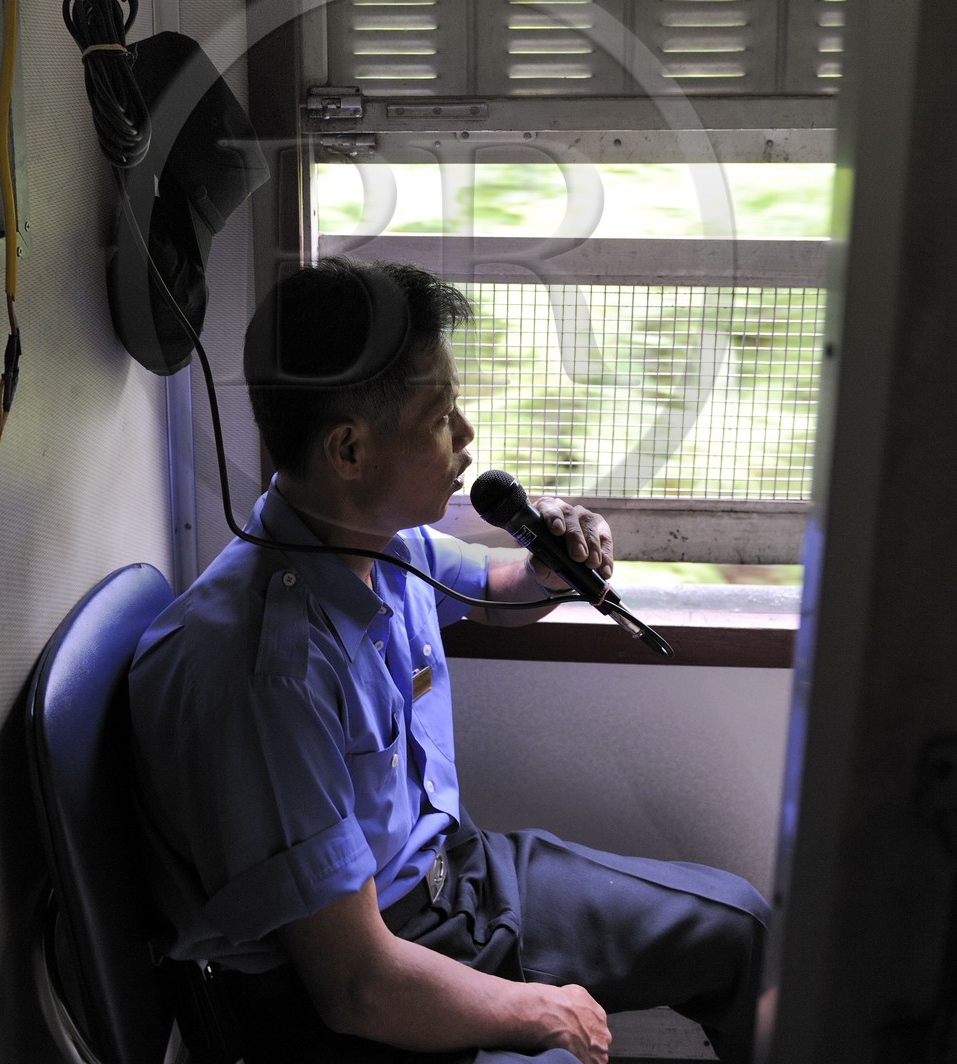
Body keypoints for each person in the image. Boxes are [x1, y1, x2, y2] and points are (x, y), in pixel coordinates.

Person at [129, 258, 768, 1064]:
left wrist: (549, 566)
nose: (467, 438)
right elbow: (355, 983)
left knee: (742, 927)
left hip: (453, 877)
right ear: (350, 449)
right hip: (347, 978)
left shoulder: (378, 541)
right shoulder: (269, 676)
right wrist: (536, 1010)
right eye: (440, 417)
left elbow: (498, 586)